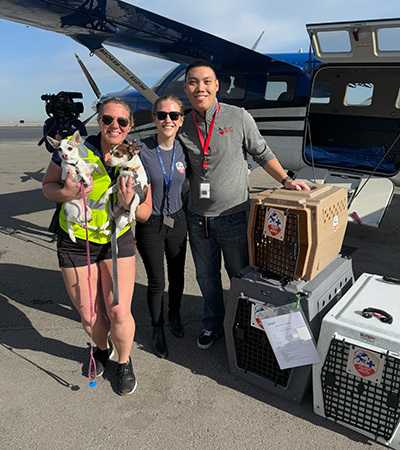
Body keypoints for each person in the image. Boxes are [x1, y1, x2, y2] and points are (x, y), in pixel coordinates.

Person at [179, 60, 310, 350]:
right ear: (185, 87)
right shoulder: (182, 124)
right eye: (192, 82)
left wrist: (287, 180)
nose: (199, 87)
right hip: (197, 219)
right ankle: (212, 325)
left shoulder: (238, 117)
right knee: (206, 278)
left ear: (216, 86)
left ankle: (244, 327)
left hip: (233, 217)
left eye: (206, 81)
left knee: (241, 277)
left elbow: (262, 153)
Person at [42, 97, 152, 395]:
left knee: (118, 311)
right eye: (107, 119)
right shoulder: (75, 148)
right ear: (98, 121)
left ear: (129, 126)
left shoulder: (136, 159)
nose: (114, 126)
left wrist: (131, 203)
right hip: (77, 241)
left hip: (117, 240)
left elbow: (145, 212)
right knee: (90, 316)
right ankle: (102, 350)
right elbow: (48, 187)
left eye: (122, 122)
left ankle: (124, 361)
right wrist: (65, 191)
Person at [135, 94, 187, 359]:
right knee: (157, 281)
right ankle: (157, 329)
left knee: (178, 276)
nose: (168, 120)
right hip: (150, 222)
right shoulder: (140, 149)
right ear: (155, 119)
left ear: (180, 121)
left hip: (177, 220)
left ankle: (174, 314)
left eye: (174, 115)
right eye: (162, 115)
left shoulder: (185, 149)